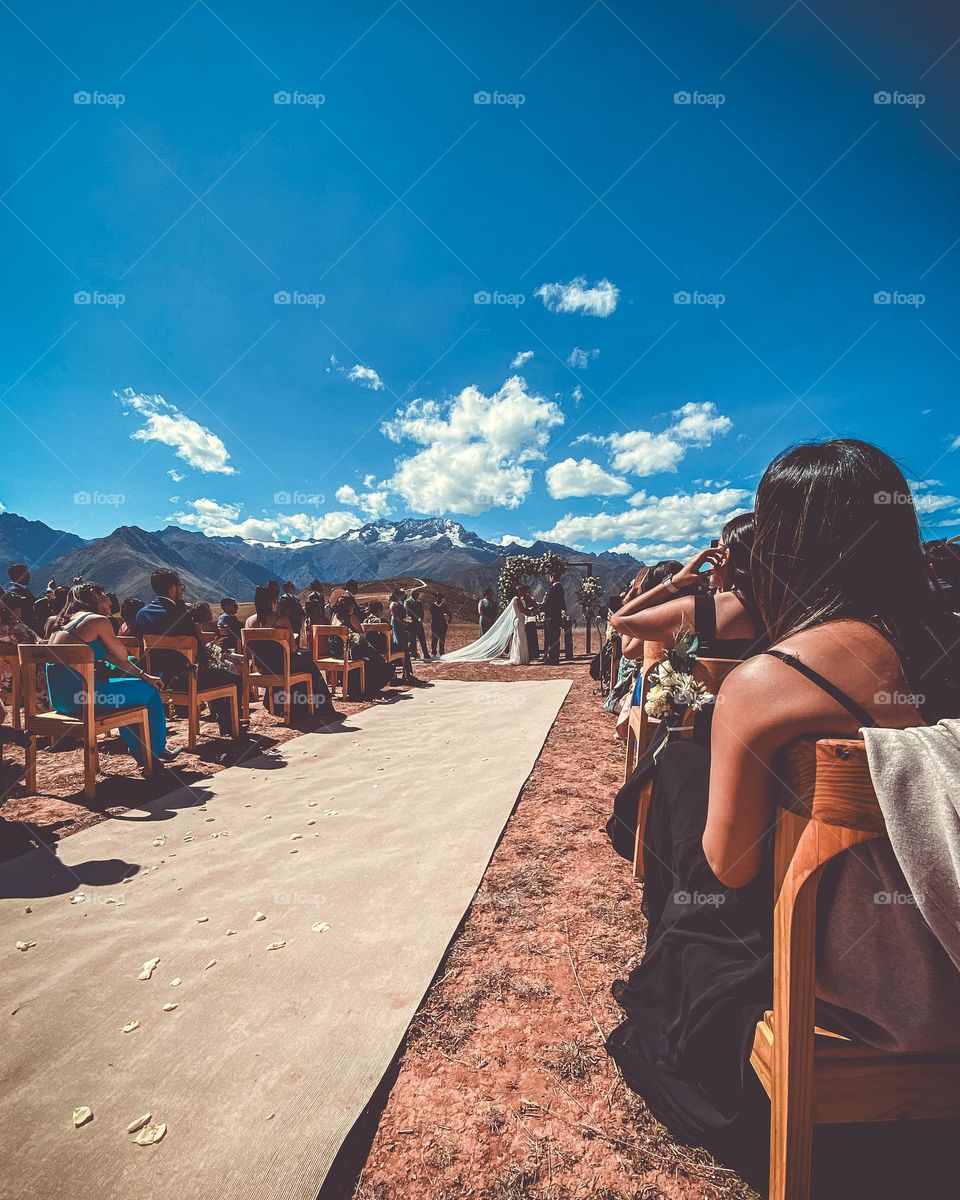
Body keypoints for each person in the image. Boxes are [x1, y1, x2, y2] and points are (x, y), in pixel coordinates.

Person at [605, 440, 960, 1167]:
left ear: (780, 546)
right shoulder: (939, 638)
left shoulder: (773, 682)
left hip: (876, 996)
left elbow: (729, 865)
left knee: (692, 910)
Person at [46, 582, 176, 769]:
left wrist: (143, 675)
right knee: (148, 692)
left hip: (62, 700)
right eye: (105, 594)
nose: (109, 600)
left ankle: (144, 751)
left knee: (134, 690)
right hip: (86, 698)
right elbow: (122, 655)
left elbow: (111, 658)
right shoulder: (96, 621)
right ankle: (153, 751)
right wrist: (147, 680)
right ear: (94, 594)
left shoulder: (62, 623)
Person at [135, 569, 246, 740]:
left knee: (215, 675)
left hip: (157, 678)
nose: (181, 590)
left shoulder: (142, 614)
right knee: (232, 678)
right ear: (172, 588)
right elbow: (198, 650)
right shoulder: (180, 614)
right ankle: (230, 725)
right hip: (186, 680)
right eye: (180, 586)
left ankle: (226, 722)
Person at [244, 586, 338, 719]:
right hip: (282, 667)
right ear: (272, 602)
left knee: (300, 662)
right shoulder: (281, 620)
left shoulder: (249, 622)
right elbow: (293, 649)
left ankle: (278, 704)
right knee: (309, 665)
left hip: (262, 667)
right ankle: (319, 704)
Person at [327, 589, 394, 697]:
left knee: (368, 651)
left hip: (336, 652)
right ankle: (373, 682)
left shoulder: (335, 618)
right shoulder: (352, 618)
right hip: (349, 652)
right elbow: (361, 634)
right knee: (372, 654)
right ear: (349, 607)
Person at [441, 589, 530, 664]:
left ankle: (493, 651)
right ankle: (486, 652)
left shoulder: (494, 603)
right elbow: (480, 612)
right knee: (485, 635)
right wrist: (487, 619)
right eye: (489, 594)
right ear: (486, 595)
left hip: (492, 620)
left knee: (494, 636)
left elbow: (497, 610)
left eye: (491, 594)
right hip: (485, 620)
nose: (491, 596)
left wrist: (494, 618)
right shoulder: (482, 602)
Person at [389, 590, 417, 683]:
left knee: (406, 648)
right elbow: (395, 617)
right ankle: (406, 673)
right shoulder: (393, 604)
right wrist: (404, 623)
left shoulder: (398, 603)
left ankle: (407, 673)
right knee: (403, 648)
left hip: (402, 627)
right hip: (398, 628)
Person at [5, 564, 39, 635]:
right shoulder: (13, 591)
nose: (29, 577)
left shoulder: (23, 589)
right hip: (26, 628)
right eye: (26, 575)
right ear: (17, 576)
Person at [541, 568, 565, 665]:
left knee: (551, 637)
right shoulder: (561, 588)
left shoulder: (553, 589)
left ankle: (553, 658)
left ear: (552, 577)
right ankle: (555, 657)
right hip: (557, 616)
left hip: (551, 616)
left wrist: (541, 608)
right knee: (555, 637)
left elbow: (549, 603)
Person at [404, 586, 429, 660]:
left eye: (418, 594)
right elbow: (408, 612)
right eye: (416, 594)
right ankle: (414, 654)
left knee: (422, 639)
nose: (418, 596)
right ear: (412, 594)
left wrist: (421, 619)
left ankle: (426, 654)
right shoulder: (407, 602)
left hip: (419, 624)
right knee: (412, 640)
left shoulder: (419, 602)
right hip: (412, 624)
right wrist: (413, 620)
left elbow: (422, 612)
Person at [279, 582, 306, 646]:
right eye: (291, 587)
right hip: (289, 622)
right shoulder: (283, 599)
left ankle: (297, 649)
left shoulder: (296, 599)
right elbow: (284, 611)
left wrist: (303, 614)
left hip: (297, 622)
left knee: (297, 637)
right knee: (290, 638)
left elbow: (299, 608)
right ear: (287, 588)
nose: (293, 588)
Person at [429, 592, 451, 657]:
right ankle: (433, 652)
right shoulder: (432, 605)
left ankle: (441, 651)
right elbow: (433, 613)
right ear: (436, 598)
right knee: (434, 638)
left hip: (443, 624)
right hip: (435, 624)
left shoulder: (444, 605)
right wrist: (442, 614)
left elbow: (448, 612)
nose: (439, 599)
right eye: (438, 597)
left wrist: (449, 618)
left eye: (440, 597)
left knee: (442, 639)